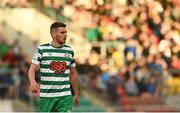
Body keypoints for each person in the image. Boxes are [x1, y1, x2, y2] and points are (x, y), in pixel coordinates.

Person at [28, 22, 79, 112]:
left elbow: (73, 74)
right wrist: (32, 82)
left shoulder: (69, 51)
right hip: (47, 97)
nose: (65, 35)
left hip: (65, 96)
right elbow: (32, 69)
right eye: (62, 33)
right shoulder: (42, 49)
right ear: (53, 34)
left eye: (66, 32)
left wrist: (76, 93)